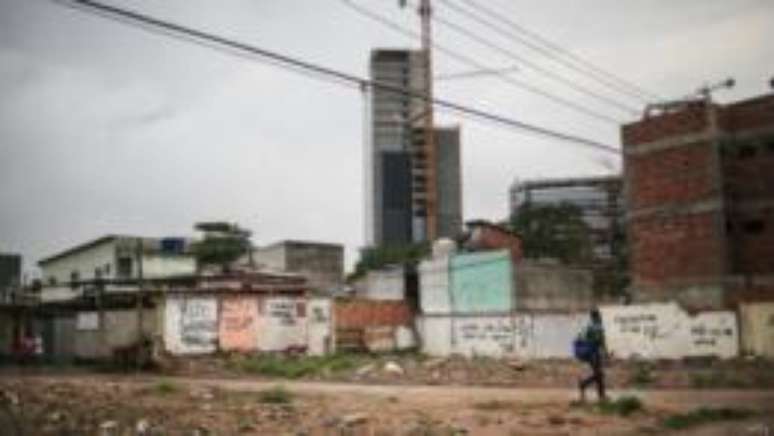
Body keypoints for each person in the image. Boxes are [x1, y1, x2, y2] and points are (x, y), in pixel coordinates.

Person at [578, 308, 607, 402]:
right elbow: (601, 341)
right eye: (598, 315)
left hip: (592, 353)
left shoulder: (589, 327)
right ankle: (583, 384)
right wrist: (605, 352)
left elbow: (582, 339)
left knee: (599, 374)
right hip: (593, 353)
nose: (600, 317)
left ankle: (601, 395)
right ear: (596, 316)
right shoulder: (596, 327)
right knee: (599, 374)